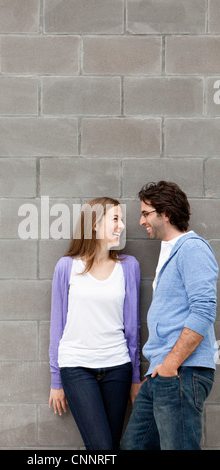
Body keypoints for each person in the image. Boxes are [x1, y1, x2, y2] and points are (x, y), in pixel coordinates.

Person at [121, 181, 219, 451]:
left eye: (145, 213)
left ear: (166, 213)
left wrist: (170, 365)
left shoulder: (192, 248)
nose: (141, 221)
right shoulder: (170, 252)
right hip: (162, 374)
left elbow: (204, 310)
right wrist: (156, 371)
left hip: (180, 372)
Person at [48, 197, 141, 450]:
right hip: (76, 367)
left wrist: (135, 376)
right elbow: (58, 325)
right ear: (93, 224)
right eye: (115, 219)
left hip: (118, 367)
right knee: (101, 447)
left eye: (122, 220)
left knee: (110, 447)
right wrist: (56, 379)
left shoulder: (129, 266)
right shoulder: (66, 267)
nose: (121, 225)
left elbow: (133, 328)